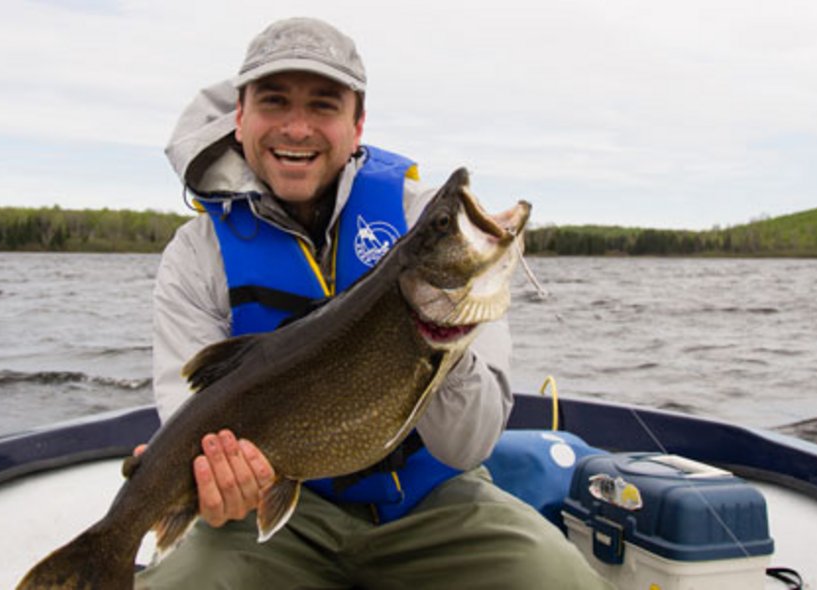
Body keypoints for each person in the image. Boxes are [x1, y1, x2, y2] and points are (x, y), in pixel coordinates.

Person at [139, 16, 610, 590]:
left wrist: (444, 340)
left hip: (432, 500)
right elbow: (185, 416)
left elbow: (469, 446)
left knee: (561, 579)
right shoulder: (196, 255)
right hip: (273, 515)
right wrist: (217, 482)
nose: (296, 128)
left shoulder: (418, 220)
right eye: (274, 101)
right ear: (240, 117)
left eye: (323, 105)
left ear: (357, 124)